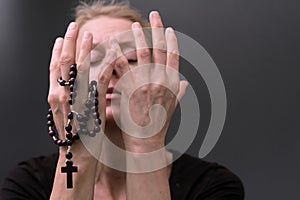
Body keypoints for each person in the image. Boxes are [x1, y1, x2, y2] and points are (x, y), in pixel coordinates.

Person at [0, 1, 244, 199]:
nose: (111, 68)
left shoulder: (212, 186)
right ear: (66, 79)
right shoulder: (28, 184)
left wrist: (145, 141)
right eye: (93, 59)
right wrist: (78, 145)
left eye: (131, 58)